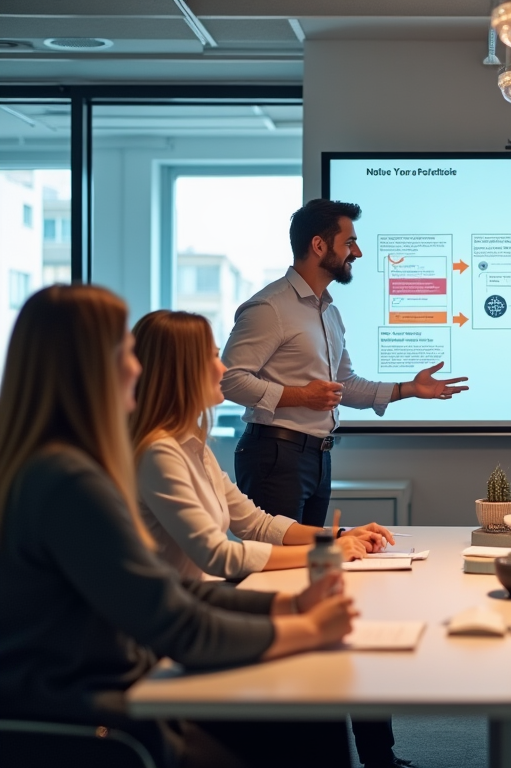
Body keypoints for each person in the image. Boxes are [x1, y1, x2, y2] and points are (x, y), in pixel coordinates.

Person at [0, 285, 358, 768]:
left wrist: (291, 605)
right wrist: (308, 630)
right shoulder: (69, 482)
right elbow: (178, 623)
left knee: (311, 719)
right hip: (93, 720)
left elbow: (170, 589)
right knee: (307, 722)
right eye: (125, 353)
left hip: (112, 690)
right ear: (90, 369)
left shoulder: (61, 468)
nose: (135, 368)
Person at [221, 198, 468, 529]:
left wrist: (409, 388)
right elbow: (230, 380)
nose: (358, 252)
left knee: (310, 563)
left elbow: (345, 385)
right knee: (278, 567)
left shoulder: (329, 313)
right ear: (319, 245)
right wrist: (301, 396)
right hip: (275, 455)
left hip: (317, 457)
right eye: (349, 242)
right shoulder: (270, 307)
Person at [131, 309, 396, 583]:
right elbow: (218, 556)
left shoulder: (193, 448)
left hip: (200, 601)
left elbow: (256, 523)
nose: (222, 368)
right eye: (211, 356)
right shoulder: (160, 454)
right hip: (184, 613)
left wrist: (339, 535)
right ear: (179, 371)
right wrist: (326, 551)